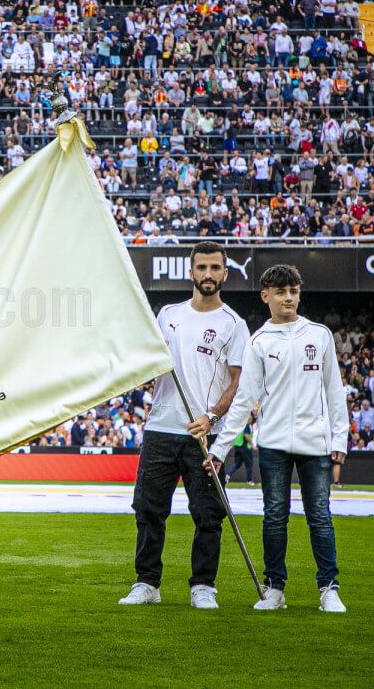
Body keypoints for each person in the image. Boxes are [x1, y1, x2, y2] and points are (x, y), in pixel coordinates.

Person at [206, 264, 349, 613]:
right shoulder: (259, 341)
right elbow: (244, 400)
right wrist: (220, 448)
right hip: (272, 444)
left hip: (315, 443)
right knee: (274, 516)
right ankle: (274, 588)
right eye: (282, 292)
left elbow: (334, 391)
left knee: (319, 516)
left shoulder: (319, 334)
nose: (289, 298)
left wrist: (339, 441)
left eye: (294, 292)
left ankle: (328, 588)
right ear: (265, 296)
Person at [120, 242, 249, 610]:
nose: (208, 274)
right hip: (161, 428)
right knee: (147, 509)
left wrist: (212, 417)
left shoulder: (234, 324)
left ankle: (203, 586)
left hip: (203, 433)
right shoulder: (167, 314)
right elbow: (152, 367)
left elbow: (237, 382)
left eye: (215, 268)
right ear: (191, 272)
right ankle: (147, 582)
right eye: (201, 268)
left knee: (208, 514)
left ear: (225, 273)